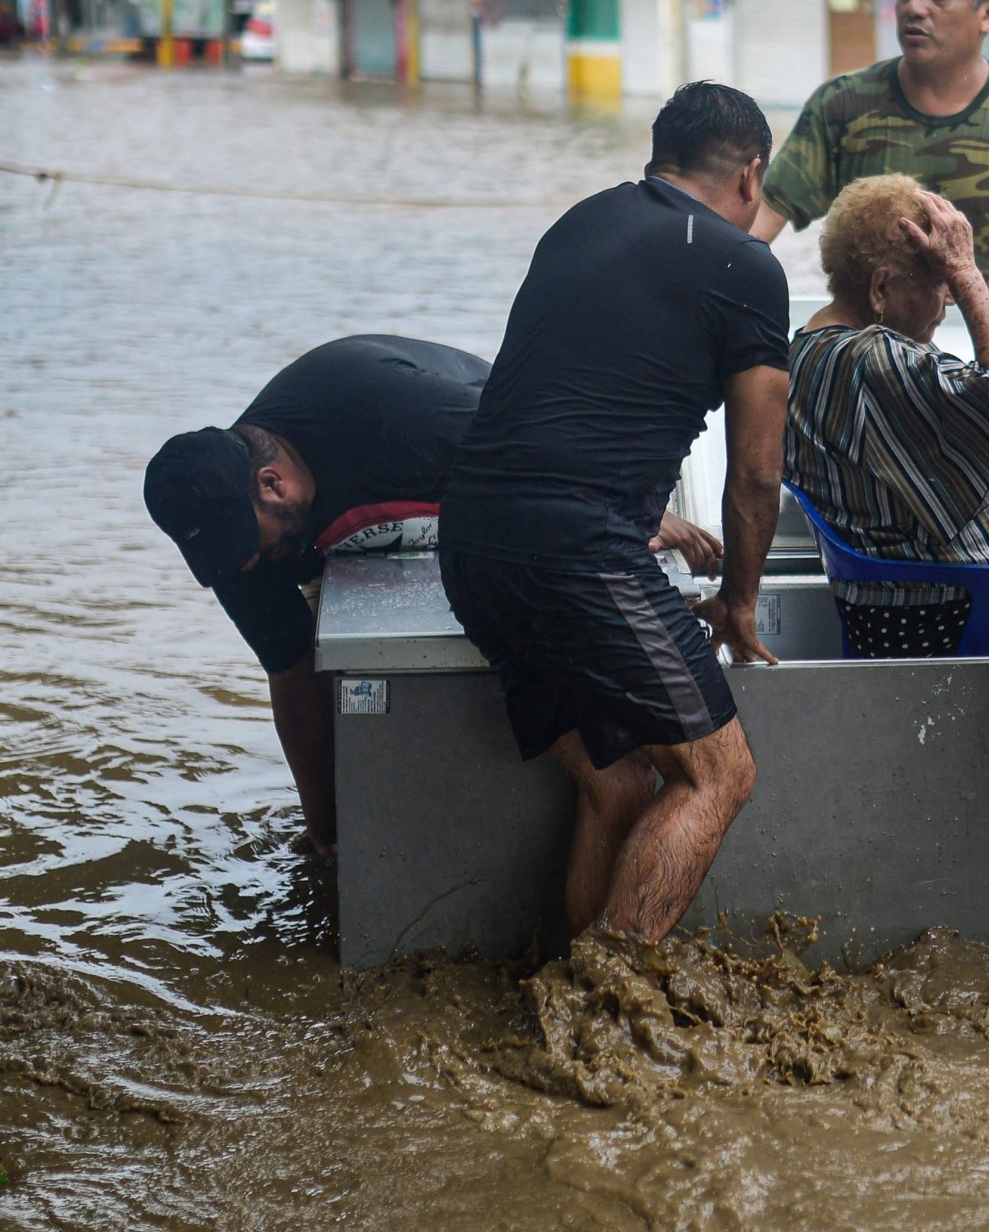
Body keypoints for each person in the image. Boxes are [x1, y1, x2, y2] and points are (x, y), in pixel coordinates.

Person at [438, 82, 792, 948]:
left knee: (624, 784)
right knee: (720, 776)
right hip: (580, 547)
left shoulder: (582, 221)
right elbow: (755, 474)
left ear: (659, 155)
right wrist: (739, 604)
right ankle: (606, 1003)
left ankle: (564, 977)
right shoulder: (747, 267)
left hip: (474, 541)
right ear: (751, 175)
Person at [143, 335, 673, 856]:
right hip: (367, 527)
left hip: (500, 471)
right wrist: (326, 838)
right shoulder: (238, 550)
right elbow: (291, 675)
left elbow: (536, 436)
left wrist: (626, 513)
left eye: (247, 544)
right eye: (226, 557)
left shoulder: (392, 414)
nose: (248, 564)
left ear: (272, 484)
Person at [784, 173, 989, 658]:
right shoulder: (871, 359)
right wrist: (964, 268)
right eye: (941, 283)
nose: (951, 299)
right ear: (881, 287)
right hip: (979, 611)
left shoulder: (825, 347)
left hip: (982, 600)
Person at [752, 0, 989, 293]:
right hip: (869, 340)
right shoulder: (842, 105)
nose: (915, 7)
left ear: (988, 14)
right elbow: (760, 223)